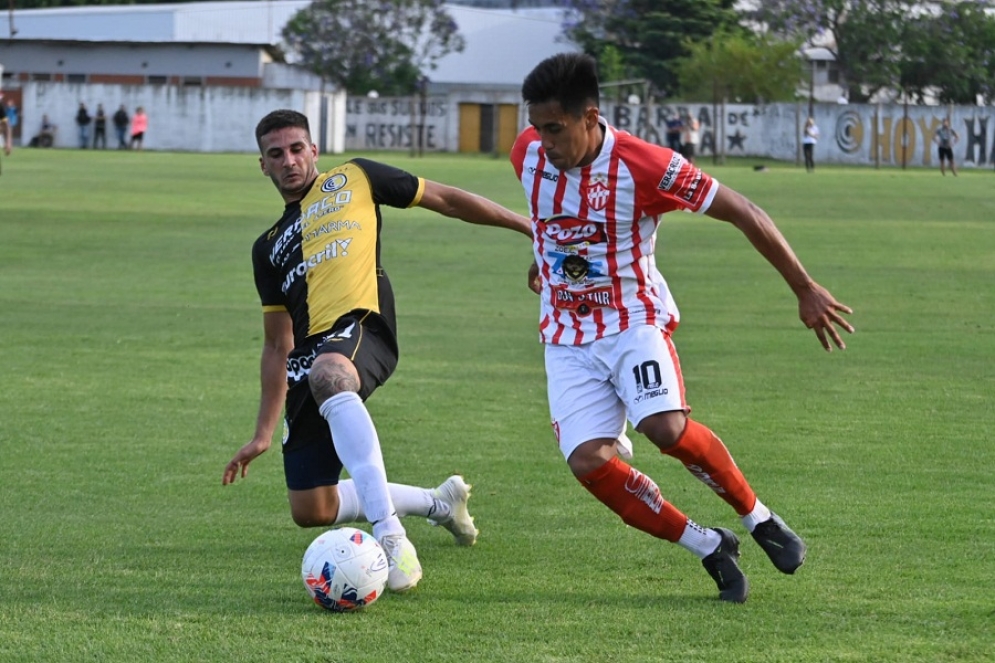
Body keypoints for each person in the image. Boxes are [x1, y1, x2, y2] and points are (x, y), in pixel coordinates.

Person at [511, 53, 854, 603]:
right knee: (587, 463)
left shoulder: (645, 166)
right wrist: (547, 258)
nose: (543, 141)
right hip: (566, 335)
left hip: (632, 323)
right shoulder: (526, 153)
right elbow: (554, 220)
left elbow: (744, 209)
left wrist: (803, 287)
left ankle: (759, 518)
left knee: (665, 428)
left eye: (555, 129)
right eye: (537, 128)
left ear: (590, 116)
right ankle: (706, 545)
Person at [222, 109, 533, 594]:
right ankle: (438, 503)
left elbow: (446, 199)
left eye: (297, 148)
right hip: (308, 356)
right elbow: (276, 343)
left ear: (314, 151)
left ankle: (390, 537)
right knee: (312, 509)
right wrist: (262, 432)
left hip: (361, 324)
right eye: (276, 154)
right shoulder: (266, 247)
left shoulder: (356, 177)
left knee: (330, 373)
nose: (289, 161)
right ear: (262, 164)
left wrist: (528, 227)